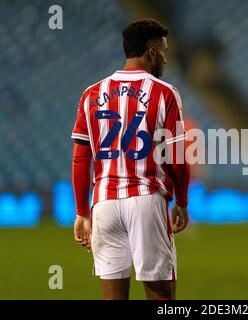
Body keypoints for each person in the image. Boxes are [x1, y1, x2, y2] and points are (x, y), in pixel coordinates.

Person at [71, 19, 190, 300]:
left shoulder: (91, 94)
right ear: (151, 53)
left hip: (104, 204)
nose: (164, 57)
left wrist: (81, 212)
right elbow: (176, 158)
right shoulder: (164, 93)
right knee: (161, 297)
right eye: (163, 51)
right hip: (146, 198)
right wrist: (182, 202)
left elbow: (80, 157)